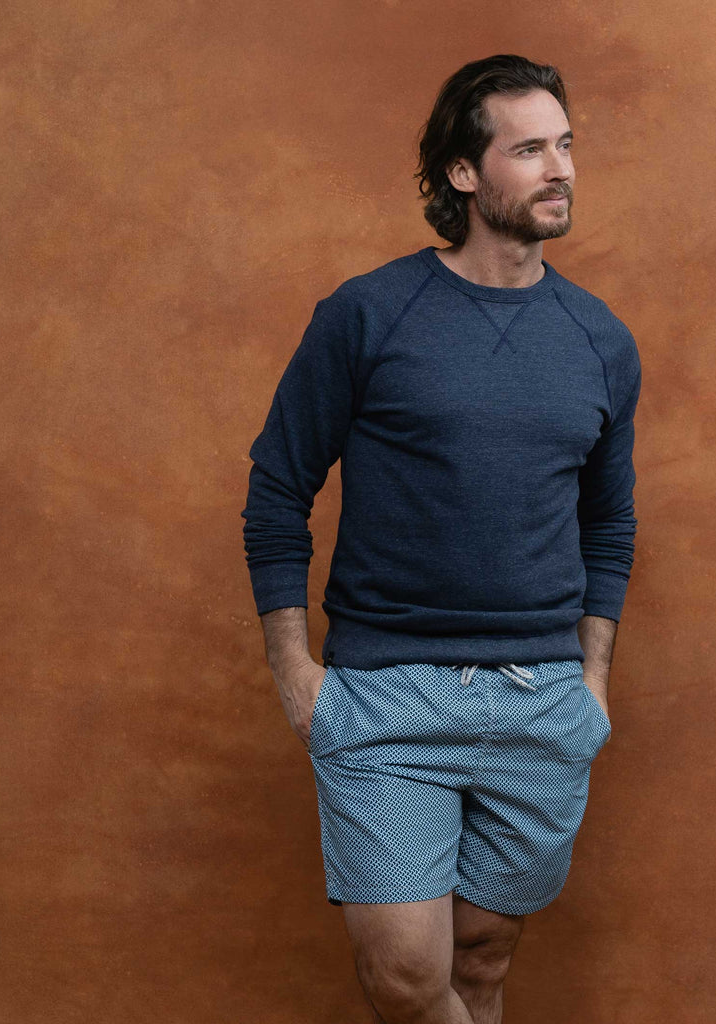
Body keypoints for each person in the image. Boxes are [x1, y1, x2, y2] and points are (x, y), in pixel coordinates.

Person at [242, 53, 642, 1024]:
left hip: (543, 701)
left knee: (484, 961)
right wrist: (295, 671)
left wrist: (591, 681)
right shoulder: (370, 315)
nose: (560, 168)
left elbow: (609, 522)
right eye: (529, 149)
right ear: (463, 173)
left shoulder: (599, 339)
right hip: (388, 695)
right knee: (409, 981)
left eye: (565, 145)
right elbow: (278, 490)